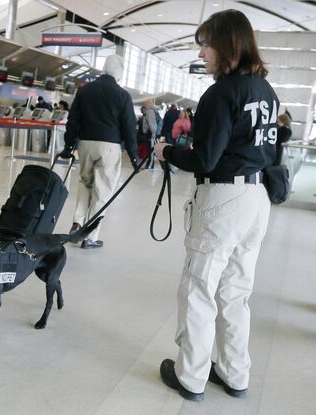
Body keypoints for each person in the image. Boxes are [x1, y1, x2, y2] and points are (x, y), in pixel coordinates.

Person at [153, 9, 278, 401]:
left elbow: (204, 159)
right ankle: (234, 372)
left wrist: (167, 150)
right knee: (236, 292)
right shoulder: (266, 92)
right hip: (256, 199)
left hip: (222, 199)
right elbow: (272, 152)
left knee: (199, 288)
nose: (202, 53)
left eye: (206, 44)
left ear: (227, 45)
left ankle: (191, 376)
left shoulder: (221, 94)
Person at [59, 55, 138, 249]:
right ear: (119, 73)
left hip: (86, 144)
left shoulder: (84, 91)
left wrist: (70, 145)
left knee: (85, 183)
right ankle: (90, 236)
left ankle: (77, 222)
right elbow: (129, 127)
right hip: (110, 147)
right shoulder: (122, 95)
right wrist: (135, 156)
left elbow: (73, 120)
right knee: (102, 191)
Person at [141, 99, 158, 168]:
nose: (143, 105)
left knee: (150, 150)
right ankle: (149, 164)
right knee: (149, 149)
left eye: (145, 104)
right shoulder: (148, 112)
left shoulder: (149, 112)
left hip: (150, 133)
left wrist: (153, 133)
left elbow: (152, 124)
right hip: (149, 133)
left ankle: (150, 165)